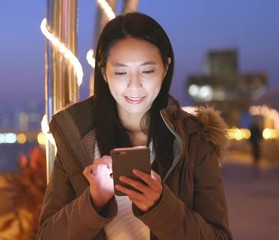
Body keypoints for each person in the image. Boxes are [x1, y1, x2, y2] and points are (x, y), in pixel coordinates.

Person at [36, 12, 232, 240]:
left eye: (147, 71)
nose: (134, 85)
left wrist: (161, 207)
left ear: (165, 68)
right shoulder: (77, 138)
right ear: (104, 72)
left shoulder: (195, 139)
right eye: (121, 72)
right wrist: (93, 202)